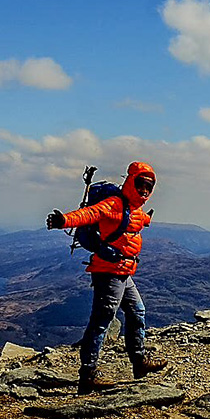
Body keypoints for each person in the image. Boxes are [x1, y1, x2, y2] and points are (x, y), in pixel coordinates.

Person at [46, 161, 167, 394]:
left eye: (148, 188)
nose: (144, 191)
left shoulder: (134, 209)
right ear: (131, 183)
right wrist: (64, 221)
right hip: (109, 272)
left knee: (137, 311)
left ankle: (139, 362)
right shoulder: (114, 204)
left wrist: (148, 219)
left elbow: (139, 221)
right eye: (140, 185)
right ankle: (88, 375)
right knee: (102, 321)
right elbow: (90, 214)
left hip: (123, 272)